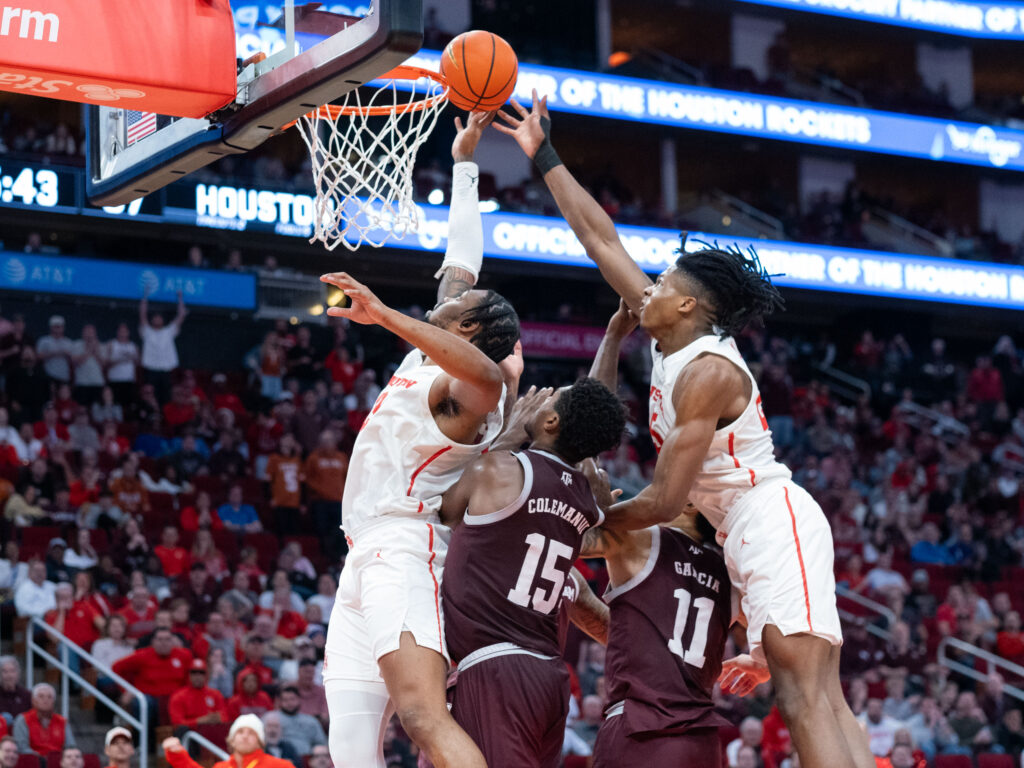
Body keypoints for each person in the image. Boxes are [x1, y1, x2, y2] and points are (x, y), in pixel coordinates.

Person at [497, 93, 872, 768]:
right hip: (738, 528)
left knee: (806, 693)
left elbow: (668, 503)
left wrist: (585, 528)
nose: (651, 287)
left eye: (665, 280)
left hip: (767, 513)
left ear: (690, 304)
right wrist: (544, 153)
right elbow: (598, 238)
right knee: (815, 691)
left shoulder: (706, 374)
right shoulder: (668, 336)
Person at [321, 111, 521, 768]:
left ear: (464, 333)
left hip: (406, 551)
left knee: (422, 716)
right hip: (362, 555)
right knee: (349, 747)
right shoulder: (427, 361)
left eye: (455, 310)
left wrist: (382, 314)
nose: (446, 298)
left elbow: (490, 372)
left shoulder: (471, 396)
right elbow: (461, 260)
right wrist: (465, 163)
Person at [438, 378, 625, 767]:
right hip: (549, 677)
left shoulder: (498, 470)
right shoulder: (588, 502)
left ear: (552, 421)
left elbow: (443, 516)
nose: (537, 401)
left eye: (550, 399)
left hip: (496, 668)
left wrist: (505, 435)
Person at [163, 715, 294, 768]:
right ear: (231, 740)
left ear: (260, 742)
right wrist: (178, 755)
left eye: (252, 733)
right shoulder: (222, 767)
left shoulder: (281, 766)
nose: (245, 736)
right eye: (240, 732)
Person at [139, 289, 186, 404]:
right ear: (152, 319)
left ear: (163, 320)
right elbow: (142, 314)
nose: (157, 319)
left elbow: (181, 315)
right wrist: (145, 296)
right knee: (149, 396)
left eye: (159, 317)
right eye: (155, 317)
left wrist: (180, 298)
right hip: (151, 370)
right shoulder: (147, 331)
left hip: (166, 370)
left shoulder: (168, 331)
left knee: (166, 397)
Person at [12, 683, 74, 755]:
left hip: (58, 762)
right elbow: (21, 748)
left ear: (53, 701)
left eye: (49, 697)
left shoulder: (62, 722)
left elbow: (71, 747)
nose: (45, 700)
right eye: (41, 696)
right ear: (33, 700)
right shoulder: (23, 720)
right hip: (33, 762)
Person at [168, 659, 228, 730]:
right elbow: (177, 723)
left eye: (201, 672)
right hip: (190, 734)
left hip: (211, 732)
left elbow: (225, 717)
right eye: (194, 672)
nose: (197, 676)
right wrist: (200, 721)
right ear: (189, 675)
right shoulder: (178, 696)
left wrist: (218, 718)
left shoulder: (215, 694)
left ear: (206, 675)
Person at [36, 316, 73, 387]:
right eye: (55, 327)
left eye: (59, 327)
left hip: (64, 376)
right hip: (48, 375)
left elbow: (73, 359)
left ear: (63, 328)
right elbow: (38, 356)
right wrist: (54, 353)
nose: (57, 329)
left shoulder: (68, 342)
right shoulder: (44, 340)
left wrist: (67, 355)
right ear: (51, 327)